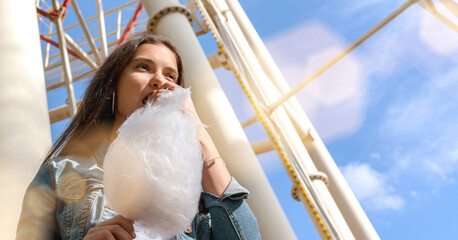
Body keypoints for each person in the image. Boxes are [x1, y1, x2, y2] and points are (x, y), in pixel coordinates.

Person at [16, 32, 261, 240]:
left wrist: (198, 131)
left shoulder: (194, 186)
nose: (160, 81)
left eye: (171, 76)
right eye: (143, 67)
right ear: (112, 84)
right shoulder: (60, 173)